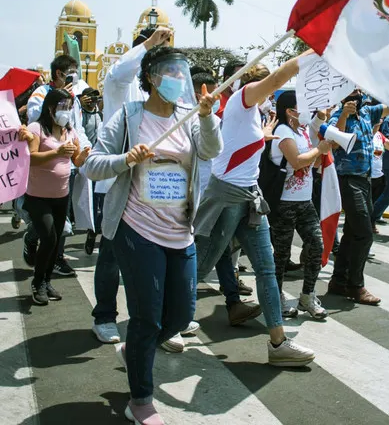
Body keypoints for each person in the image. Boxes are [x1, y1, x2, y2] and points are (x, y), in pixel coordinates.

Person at [84, 46, 223, 425]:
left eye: (181, 73)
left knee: (180, 316)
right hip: (137, 230)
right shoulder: (129, 117)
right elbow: (92, 165)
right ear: (150, 77)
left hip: (181, 233)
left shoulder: (191, 117)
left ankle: (135, 351)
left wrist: (208, 117)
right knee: (147, 317)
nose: (178, 79)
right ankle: (140, 400)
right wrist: (125, 159)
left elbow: (211, 150)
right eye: (170, 72)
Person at [194, 54, 316, 367]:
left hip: (250, 198)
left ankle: (278, 343)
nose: (269, 93)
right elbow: (275, 80)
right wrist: (310, 52)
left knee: (266, 268)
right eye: (263, 85)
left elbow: (240, 141)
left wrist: (262, 135)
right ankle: (161, 324)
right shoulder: (241, 99)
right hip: (225, 197)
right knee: (199, 266)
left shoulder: (253, 115)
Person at [90, 26, 172, 346]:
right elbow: (117, 73)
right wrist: (148, 44)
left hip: (154, 189)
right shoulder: (120, 89)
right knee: (111, 257)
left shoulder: (163, 100)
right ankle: (105, 317)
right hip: (117, 186)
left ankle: (159, 321)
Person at [190, 67, 261, 327]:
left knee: (217, 250)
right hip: (200, 195)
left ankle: (233, 302)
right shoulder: (189, 119)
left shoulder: (221, 116)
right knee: (200, 254)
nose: (216, 96)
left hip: (217, 192)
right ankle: (174, 308)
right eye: (212, 91)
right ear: (198, 93)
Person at [24, 54, 92, 277]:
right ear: (58, 74)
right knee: (47, 223)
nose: (75, 76)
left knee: (63, 219)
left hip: (67, 168)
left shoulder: (74, 99)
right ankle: (33, 239)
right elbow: (38, 122)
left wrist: (83, 152)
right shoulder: (40, 94)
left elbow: (76, 129)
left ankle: (57, 258)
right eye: (70, 72)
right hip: (42, 171)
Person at [269, 90, 331, 319]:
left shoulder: (302, 131)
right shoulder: (282, 131)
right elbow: (296, 161)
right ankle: (277, 297)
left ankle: (308, 295)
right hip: (284, 203)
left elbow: (310, 163)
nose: (306, 110)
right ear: (290, 111)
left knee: (316, 245)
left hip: (304, 202)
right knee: (281, 256)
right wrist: (319, 150)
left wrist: (318, 156)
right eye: (302, 106)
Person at [326, 91, 389, 305]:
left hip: (364, 179)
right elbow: (335, 143)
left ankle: (338, 281)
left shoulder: (367, 112)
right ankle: (356, 285)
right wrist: (344, 115)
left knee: (352, 232)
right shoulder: (336, 117)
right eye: (351, 95)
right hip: (347, 179)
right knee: (364, 234)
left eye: (358, 94)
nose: (356, 98)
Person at [80, 87, 104, 255]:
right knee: (91, 203)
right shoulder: (78, 115)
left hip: (101, 163)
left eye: (96, 98)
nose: (93, 101)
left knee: (103, 204)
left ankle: (93, 231)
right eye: (90, 98)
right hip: (85, 163)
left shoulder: (100, 115)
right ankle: (91, 230)